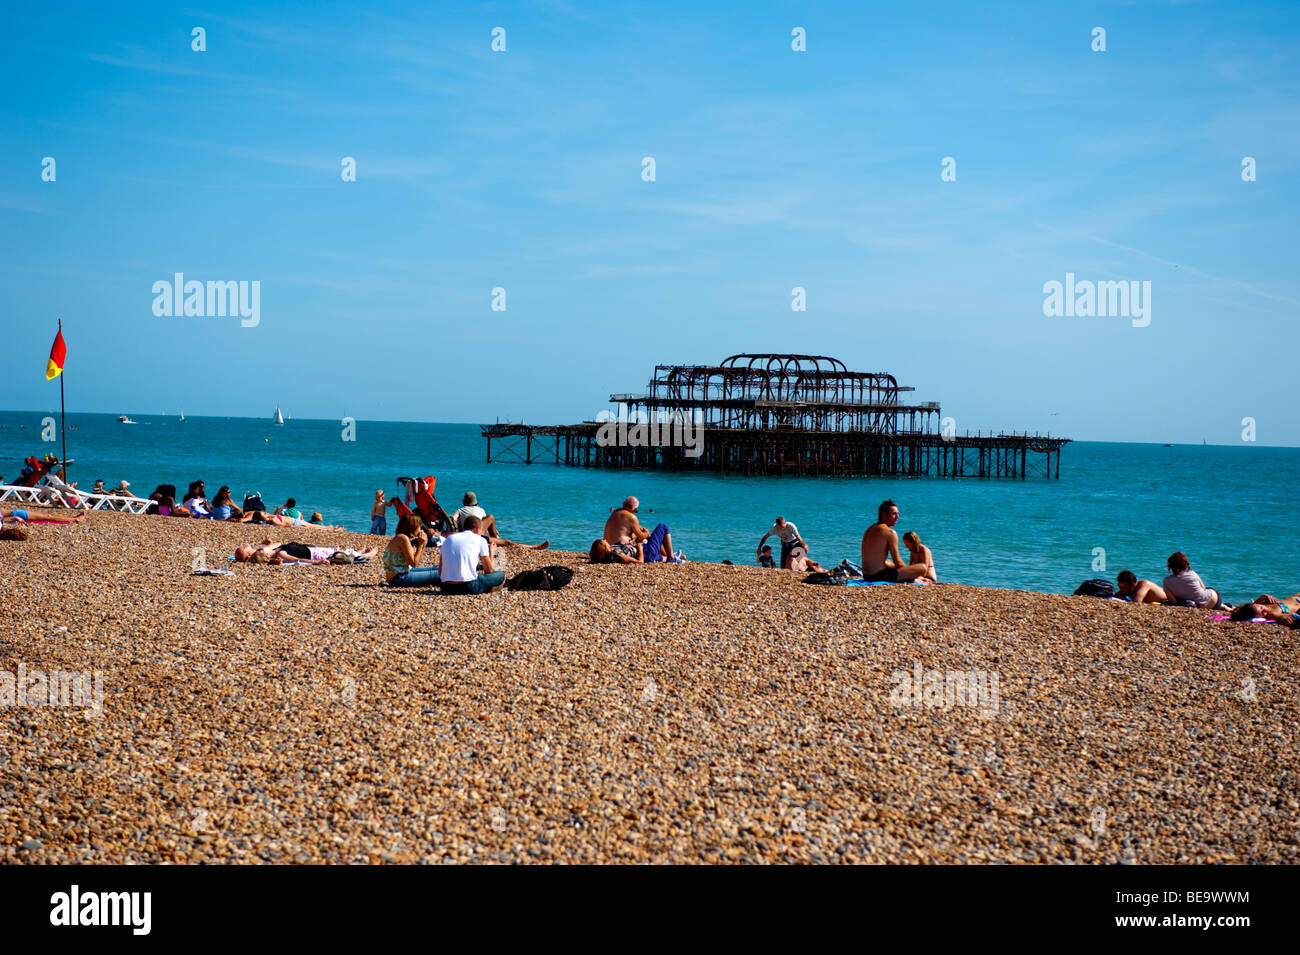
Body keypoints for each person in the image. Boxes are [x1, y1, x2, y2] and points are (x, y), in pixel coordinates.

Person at [860, 499, 933, 583]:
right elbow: (898, 562)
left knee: (887, 562)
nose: (897, 517)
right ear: (884, 515)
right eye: (894, 514)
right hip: (879, 576)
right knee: (922, 567)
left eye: (897, 514)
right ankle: (914, 579)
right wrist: (909, 572)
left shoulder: (870, 529)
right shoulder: (890, 532)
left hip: (866, 575)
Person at [452, 491, 548, 549]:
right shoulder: (480, 510)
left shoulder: (460, 510)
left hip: (471, 535)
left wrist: (457, 527)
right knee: (492, 520)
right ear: (476, 503)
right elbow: (482, 524)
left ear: (464, 502)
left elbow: (452, 519)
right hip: (478, 535)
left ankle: (534, 547)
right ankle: (533, 547)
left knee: (506, 542)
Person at [438, 515, 504, 594]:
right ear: (477, 529)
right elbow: (488, 570)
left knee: (477, 575)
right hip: (468, 586)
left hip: (446, 587)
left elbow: (440, 572)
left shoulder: (448, 539)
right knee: (500, 575)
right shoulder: (480, 540)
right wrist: (491, 551)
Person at [603, 496, 679, 562]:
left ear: (623, 504)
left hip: (613, 549)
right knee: (662, 527)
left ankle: (669, 556)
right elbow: (641, 536)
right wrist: (646, 533)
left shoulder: (615, 512)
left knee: (649, 545)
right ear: (635, 509)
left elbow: (630, 530)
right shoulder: (632, 517)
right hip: (626, 550)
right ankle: (670, 556)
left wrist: (638, 533)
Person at [383, 514, 441, 586]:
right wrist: (420, 545)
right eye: (419, 526)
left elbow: (415, 561)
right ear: (413, 526)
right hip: (398, 578)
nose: (421, 529)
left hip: (402, 573)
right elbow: (414, 564)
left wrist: (423, 544)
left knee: (437, 568)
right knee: (439, 574)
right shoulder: (403, 539)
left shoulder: (401, 537)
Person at [234, 539, 378, 564]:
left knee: (341, 552)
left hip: (310, 550)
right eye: (244, 547)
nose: (245, 545)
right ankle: (367, 555)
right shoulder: (279, 554)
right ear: (248, 554)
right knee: (341, 556)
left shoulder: (273, 552)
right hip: (315, 554)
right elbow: (297, 561)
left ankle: (359, 552)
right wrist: (316, 563)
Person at [1230, 592, 1300, 625]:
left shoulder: (1263, 603)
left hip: (1296, 597)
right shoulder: (1271, 614)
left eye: (1261, 607)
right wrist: (1282, 618)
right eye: (1262, 613)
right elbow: (1282, 617)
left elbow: (1254, 604)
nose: (1264, 610)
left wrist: (1263, 596)